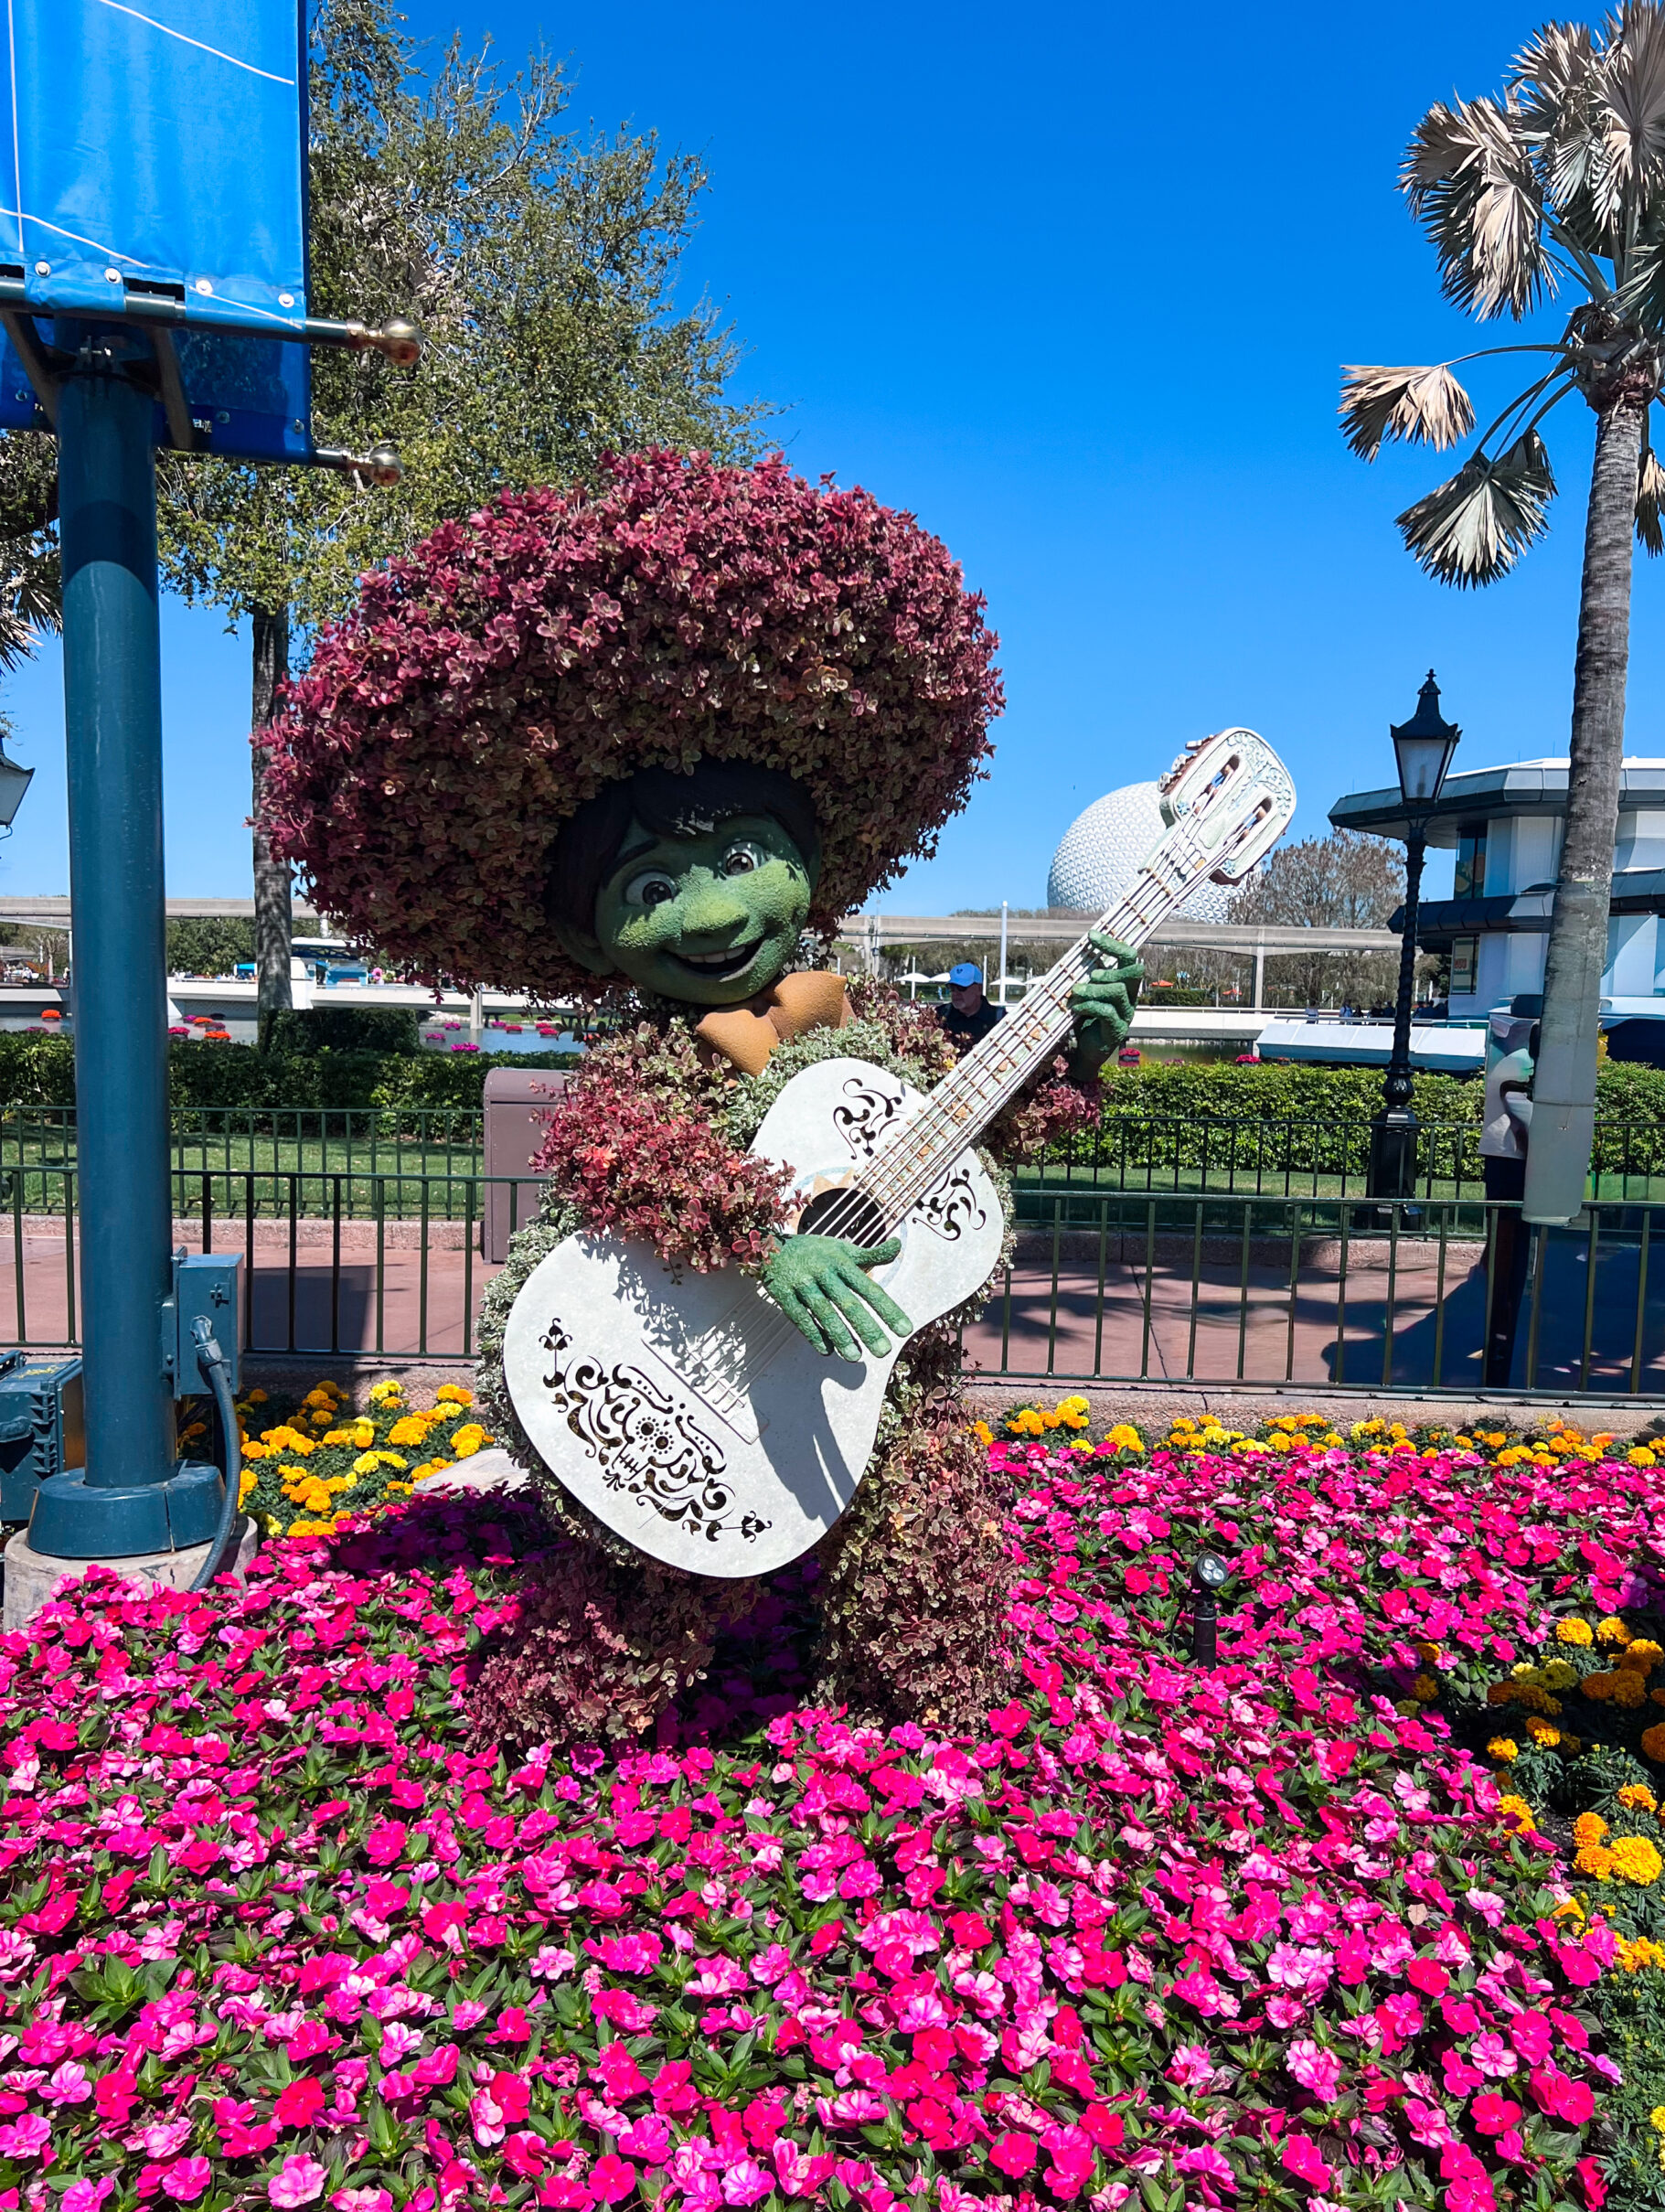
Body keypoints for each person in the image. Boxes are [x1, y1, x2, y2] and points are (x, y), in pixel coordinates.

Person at [261, 448, 1144, 1741]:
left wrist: (1077, 1057)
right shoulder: (651, 1059)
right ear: (590, 935)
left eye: (741, 858)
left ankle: (918, 1741)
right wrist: (760, 1237)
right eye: (653, 889)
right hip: (686, 1352)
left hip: (873, 1380)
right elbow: (616, 1149)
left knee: (932, 1559)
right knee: (652, 1567)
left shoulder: (873, 1022)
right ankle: (561, 1711)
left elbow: (978, 1130)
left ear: (810, 860)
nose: (714, 914)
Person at [1480, 999, 1540, 1384]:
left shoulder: (1508, 1055)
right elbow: (1520, 1106)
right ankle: (1501, 1332)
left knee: (1506, 1238)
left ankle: (1501, 1315)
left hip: (1502, 1154)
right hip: (1511, 1157)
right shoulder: (1521, 1061)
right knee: (1508, 1241)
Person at [936, 960, 1006, 1052]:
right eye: (952, 988)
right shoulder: (940, 1015)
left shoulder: (999, 1018)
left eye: (962, 988)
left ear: (979, 989)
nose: (956, 993)